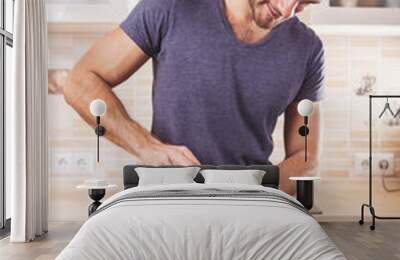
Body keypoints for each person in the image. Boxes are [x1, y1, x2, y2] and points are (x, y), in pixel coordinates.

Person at [63, 0, 324, 195]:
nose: (287, 9)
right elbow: (80, 82)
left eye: (304, 2)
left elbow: (306, 157)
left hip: (251, 203)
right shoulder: (172, 7)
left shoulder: (308, 48)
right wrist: (145, 146)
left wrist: (258, 190)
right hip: (169, 194)